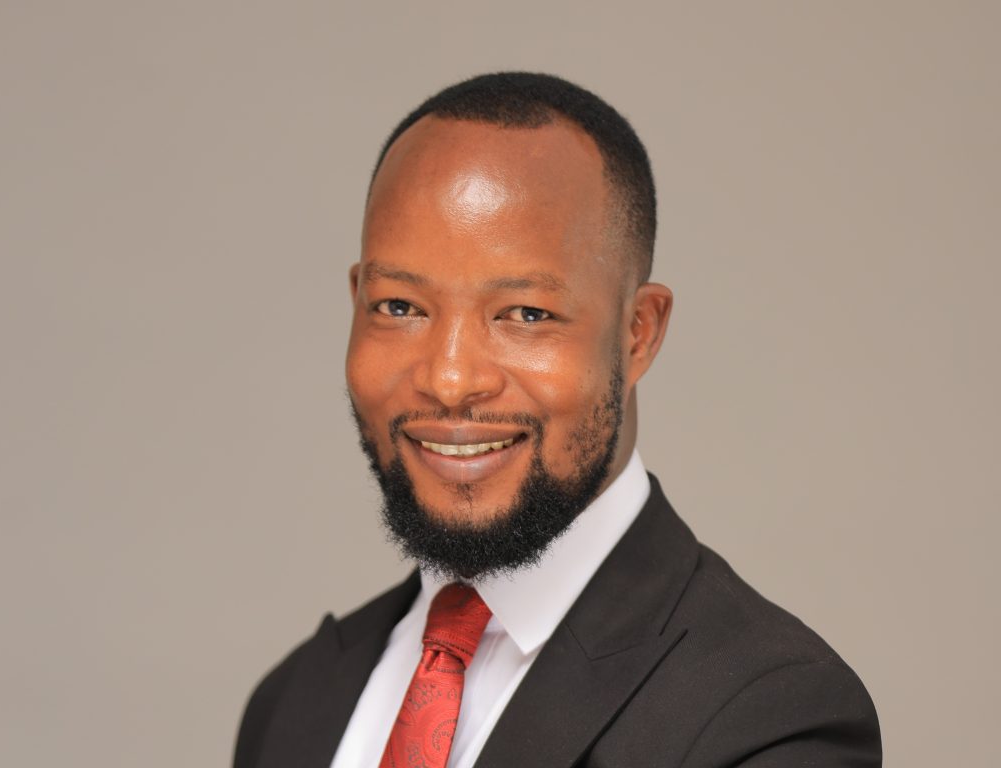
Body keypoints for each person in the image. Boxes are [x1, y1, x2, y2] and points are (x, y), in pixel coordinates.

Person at [233, 72, 881, 768]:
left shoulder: (771, 718)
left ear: (638, 332)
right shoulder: (295, 702)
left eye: (526, 314)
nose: (449, 379)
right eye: (400, 306)